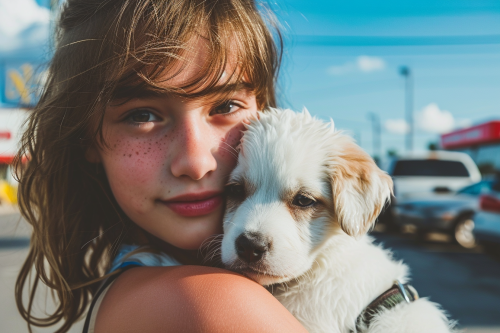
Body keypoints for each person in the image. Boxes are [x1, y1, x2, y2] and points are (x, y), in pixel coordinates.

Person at [14, 0, 308, 332]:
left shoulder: (133, 287)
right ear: (86, 138)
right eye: (142, 115)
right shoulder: (212, 304)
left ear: (263, 111)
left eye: (226, 105)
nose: (196, 163)